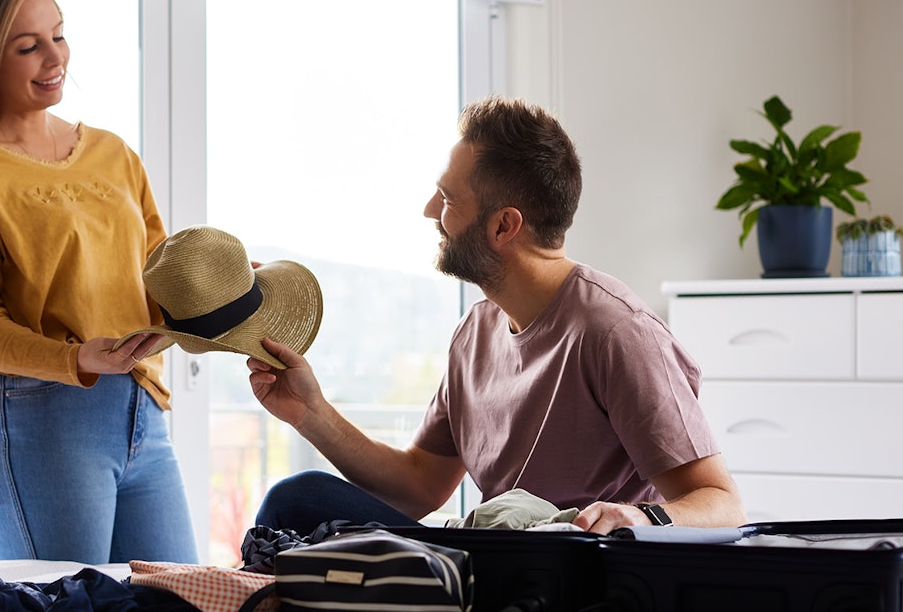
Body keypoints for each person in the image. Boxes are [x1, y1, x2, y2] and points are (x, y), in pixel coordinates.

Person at [246, 96, 746, 536]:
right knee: (300, 501)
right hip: (493, 559)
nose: (427, 211)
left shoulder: (616, 332)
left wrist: (640, 517)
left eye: (446, 198)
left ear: (504, 225)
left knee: (299, 502)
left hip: (573, 573)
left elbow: (722, 504)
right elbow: (421, 485)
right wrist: (309, 413)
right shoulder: (475, 331)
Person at [0, 0, 195, 564]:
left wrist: (223, 285)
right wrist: (74, 358)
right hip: (39, 414)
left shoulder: (113, 153)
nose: (54, 57)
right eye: (27, 46)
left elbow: (157, 277)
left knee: (185, 600)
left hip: (142, 408)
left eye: (59, 36)